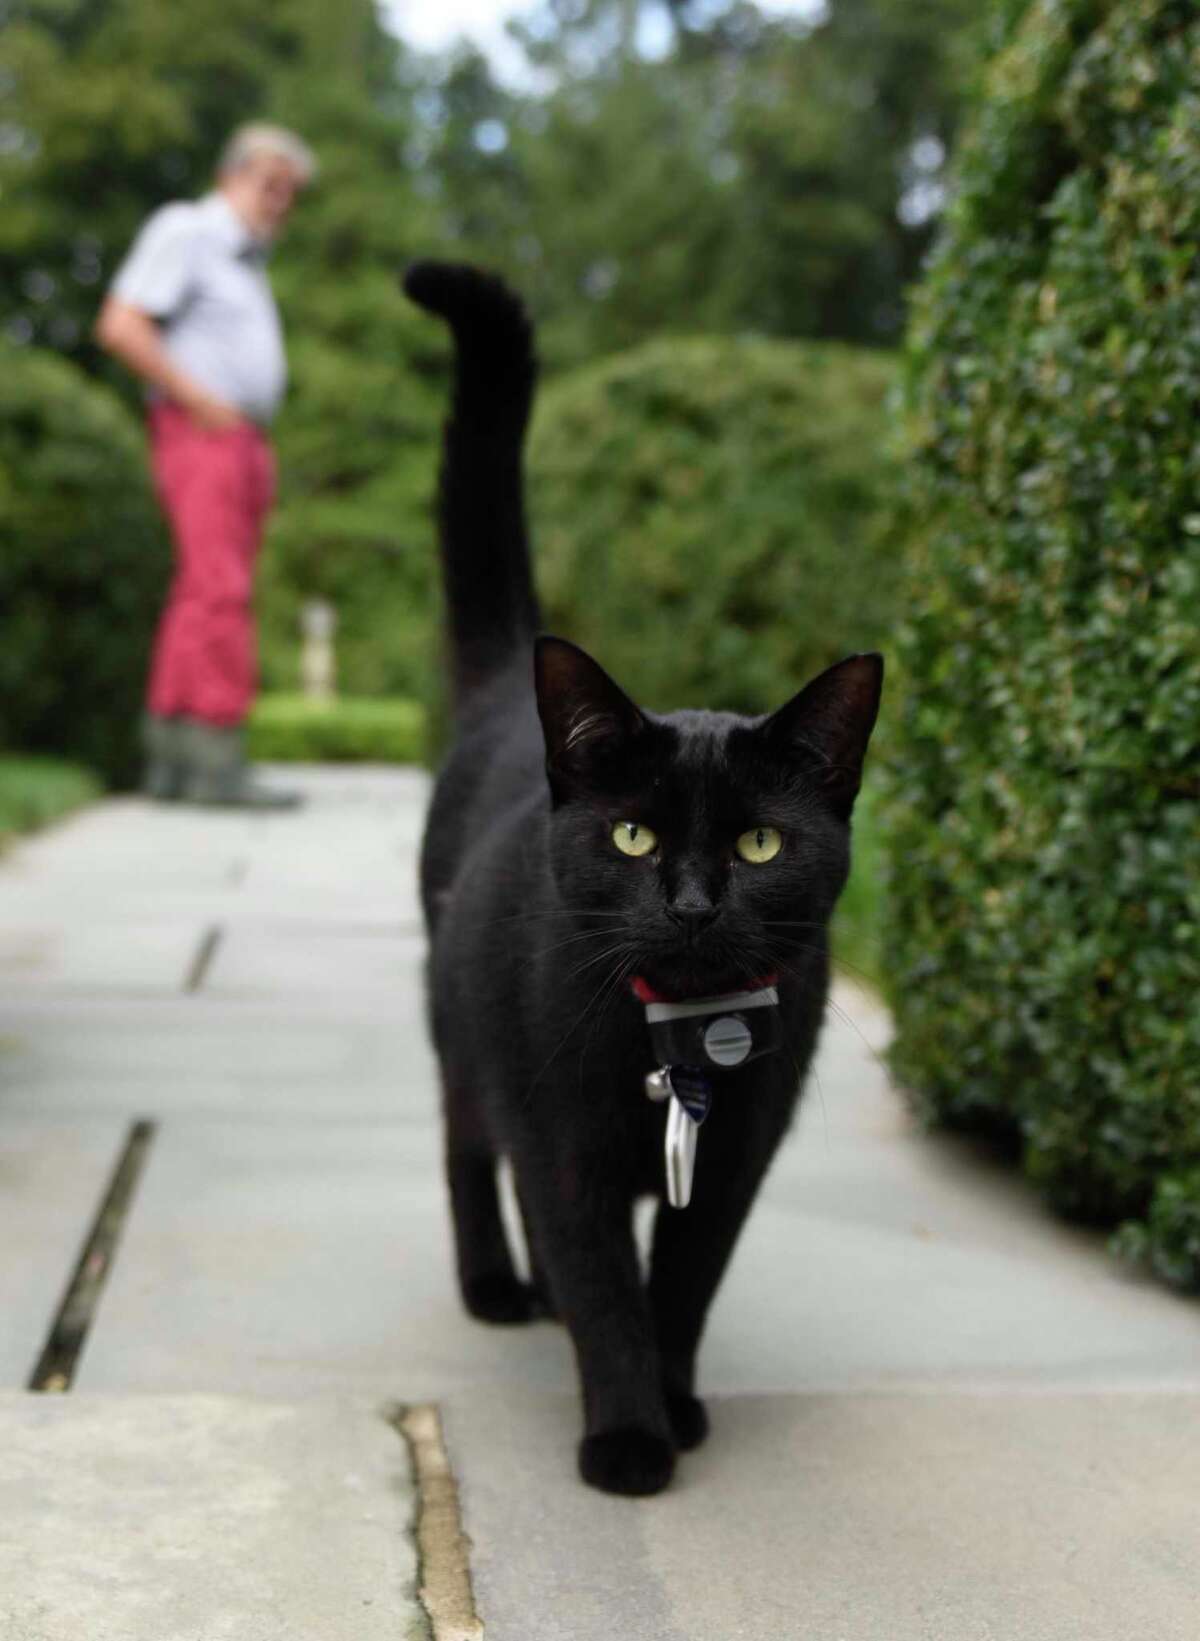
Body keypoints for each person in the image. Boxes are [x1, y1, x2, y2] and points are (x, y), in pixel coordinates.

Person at [95, 123, 315, 807]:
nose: (280, 200)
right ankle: (215, 760)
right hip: (204, 432)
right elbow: (121, 324)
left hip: (238, 437)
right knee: (218, 589)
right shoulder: (190, 229)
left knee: (204, 589)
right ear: (231, 175)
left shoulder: (246, 262)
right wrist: (202, 402)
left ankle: (173, 766)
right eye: (269, 183)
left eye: (291, 192)